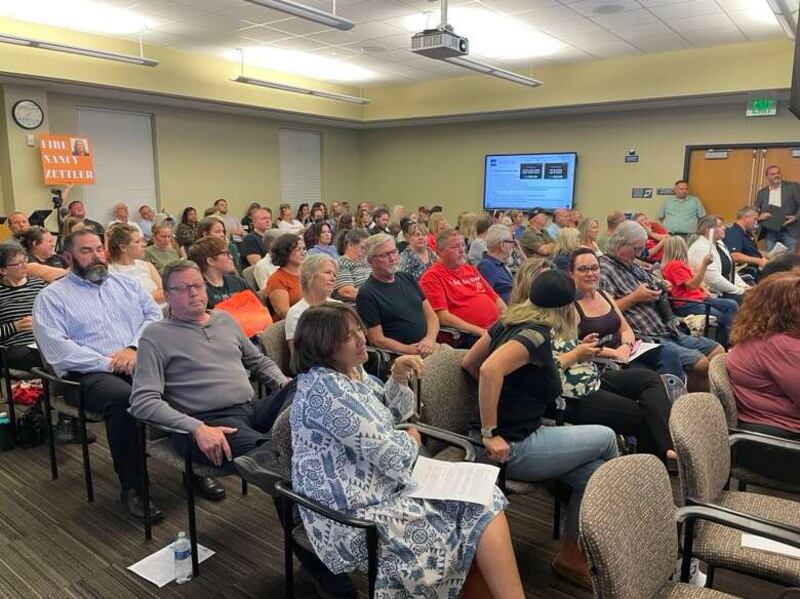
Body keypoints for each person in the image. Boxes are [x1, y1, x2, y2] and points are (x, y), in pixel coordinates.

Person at [291, 303, 524, 598]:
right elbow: (394, 455)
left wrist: (398, 377)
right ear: (324, 347)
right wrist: (411, 439)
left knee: (484, 499)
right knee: (462, 524)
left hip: (384, 484)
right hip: (351, 514)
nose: (362, 338)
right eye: (349, 337)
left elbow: (392, 414)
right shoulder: (328, 393)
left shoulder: (352, 371)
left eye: (359, 329)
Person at [461, 270, 618, 589]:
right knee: (607, 438)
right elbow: (489, 370)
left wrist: (506, 394)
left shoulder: (508, 322)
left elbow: (470, 363)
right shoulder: (535, 336)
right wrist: (491, 431)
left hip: (515, 435)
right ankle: (614, 525)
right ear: (566, 308)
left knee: (592, 473)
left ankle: (572, 555)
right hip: (511, 446)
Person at [33, 229, 164, 520]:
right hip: (84, 375)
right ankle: (134, 488)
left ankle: (193, 468)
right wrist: (111, 363)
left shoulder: (127, 284)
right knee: (123, 399)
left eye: (98, 249)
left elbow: (154, 316)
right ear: (67, 257)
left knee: (181, 380)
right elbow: (58, 351)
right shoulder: (51, 297)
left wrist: (132, 348)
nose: (96, 256)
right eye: (86, 251)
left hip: (134, 360)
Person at [129, 260, 287, 481]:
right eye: (182, 288)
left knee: (306, 386)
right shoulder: (155, 336)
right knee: (277, 457)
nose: (193, 293)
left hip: (251, 409)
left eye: (197, 285)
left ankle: (277, 443)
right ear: (167, 296)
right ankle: (277, 452)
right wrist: (197, 428)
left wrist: (283, 383)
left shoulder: (224, 319)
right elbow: (142, 402)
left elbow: (258, 361)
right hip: (208, 421)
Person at [549, 291, 676, 462]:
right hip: (572, 393)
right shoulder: (534, 328)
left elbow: (565, 347)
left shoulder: (560, 313)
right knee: (645, 417)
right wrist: (578, 353)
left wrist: (589, 348)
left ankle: (668, 445)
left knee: (650, 378)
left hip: (591, 374)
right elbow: (546, 368)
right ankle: (652, 471)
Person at [599, 221, 724, 391]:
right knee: (701, 363)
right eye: (635, 249)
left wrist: (661, 285)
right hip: (645, 335)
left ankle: (705, 400)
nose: (639, 254)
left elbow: (656, 284)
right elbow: (605, 311)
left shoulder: (632, 265)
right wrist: (635, 297)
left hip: (667, 327)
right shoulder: (604, 269)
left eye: (641, 249)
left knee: (717, 351)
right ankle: (689, 403)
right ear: (620, 244)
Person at [727, 272, 800, 485]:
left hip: (761, 438)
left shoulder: (757, 335)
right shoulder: (779, 345)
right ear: (790, 310)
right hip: (778, 446)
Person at [569, 248, 684, 380]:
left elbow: (625, 329)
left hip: (627, 350)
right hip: (603, 360)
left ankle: (673, 391)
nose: (590, 273)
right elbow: (577, 346)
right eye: (583, 269)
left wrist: (626, 347)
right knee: (647, 375)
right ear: (571, 273)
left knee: (669, 354)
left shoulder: (604, 295)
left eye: (594, 268)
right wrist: (614, 353)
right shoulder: (570, 305)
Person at [356, 234, 438, 357]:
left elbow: (432, 317)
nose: (393, 258)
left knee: (465, 359)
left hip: (431, 346)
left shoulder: (407, 278)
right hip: (405, 356)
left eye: (394, 252)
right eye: (384, 255)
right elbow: (377, 340)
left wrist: (429, 340)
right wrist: (410, 350)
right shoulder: (367, 293)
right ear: (370, 261)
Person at [420, 229, 506, 339]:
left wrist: (509, 320)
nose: (461, 250)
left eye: (462, 245)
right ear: (439, 251)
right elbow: (443, 317)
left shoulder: (471, 269)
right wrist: (482, 332)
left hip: (496, 327)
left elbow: (496, 299)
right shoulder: (432, 277)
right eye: (455, 246)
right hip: (471, 335)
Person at [662, 237, 738, 346]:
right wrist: (704, 265)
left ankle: (727, 341)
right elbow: (692, 285)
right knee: (723, 317)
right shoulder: (674, 266)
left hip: (699, 299)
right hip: (688, 303)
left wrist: (705, 290)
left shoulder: (679, 264)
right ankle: (725, 344)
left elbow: (695, 283)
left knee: (731, 305)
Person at [687, 214, 749, 303]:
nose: (724, 228)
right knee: (752, 301)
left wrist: (744, 286)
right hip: (713, 293)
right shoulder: (700, 248)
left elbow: (731, 271)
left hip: (727, 290)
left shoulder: (719, 243)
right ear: (708, 230)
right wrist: (740, 290)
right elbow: (713, 280)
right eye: (720, 226)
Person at [285, 254, 338, 353]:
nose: (333, 278)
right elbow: (299, 356)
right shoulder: (297, 313)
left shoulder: (338, 306)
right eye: (327, 272)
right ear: (309, 276)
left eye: (334, 275)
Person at [107, 225, 165, 306]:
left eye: (142, 241)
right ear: (123, 247)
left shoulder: (147, 266)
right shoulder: (111, 272)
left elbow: (164, 293)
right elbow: (126, 302)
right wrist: (153, 297)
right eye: (137, 242)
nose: (144, 245)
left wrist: (144, 298)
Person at [189, 237, 248, 309]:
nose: (231, 257)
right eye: (226, 254)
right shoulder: (199, 292)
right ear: (210, 261)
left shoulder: (239, 282)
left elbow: (258, 308)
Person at [755, 164, 800, 252]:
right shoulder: (762, 192)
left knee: (788, 257)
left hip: (789, 229)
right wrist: (760, 216)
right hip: (769, 231)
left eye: (778, 173)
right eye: (773, 174)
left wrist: (795, 217)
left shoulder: (793, 187)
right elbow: (756, 209)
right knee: (772, 257)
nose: (776, 175)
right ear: (767, 177)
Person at [265, 234, 304, 320]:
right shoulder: (276, 280)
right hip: (293, 322)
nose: (302, 253)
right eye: (298, 249)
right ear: (285, 253)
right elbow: (285, 313)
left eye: (303, 249)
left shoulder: (307, 273)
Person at [724, 206, 768, 276]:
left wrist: (768, 255)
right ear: (746, 218)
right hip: (748, 271)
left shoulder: (746, 233)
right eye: (755, 219)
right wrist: (759, 261)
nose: (756, 223)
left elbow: (751, 251)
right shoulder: (734, 233)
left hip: (756, 268)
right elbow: (734, 255)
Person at [477, 224, 515, 304]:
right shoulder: (487, 266)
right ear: (502, 245)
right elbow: (485, 299)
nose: (513, 245)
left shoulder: (500, 264)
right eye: (511, 242)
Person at [333, 228, 370, 302]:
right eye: (362, 248)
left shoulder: (367, 262)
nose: (365, 251)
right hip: (357, 306)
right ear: (350, 245)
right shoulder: (340, 263)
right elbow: (347, 292)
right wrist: (377, 296)